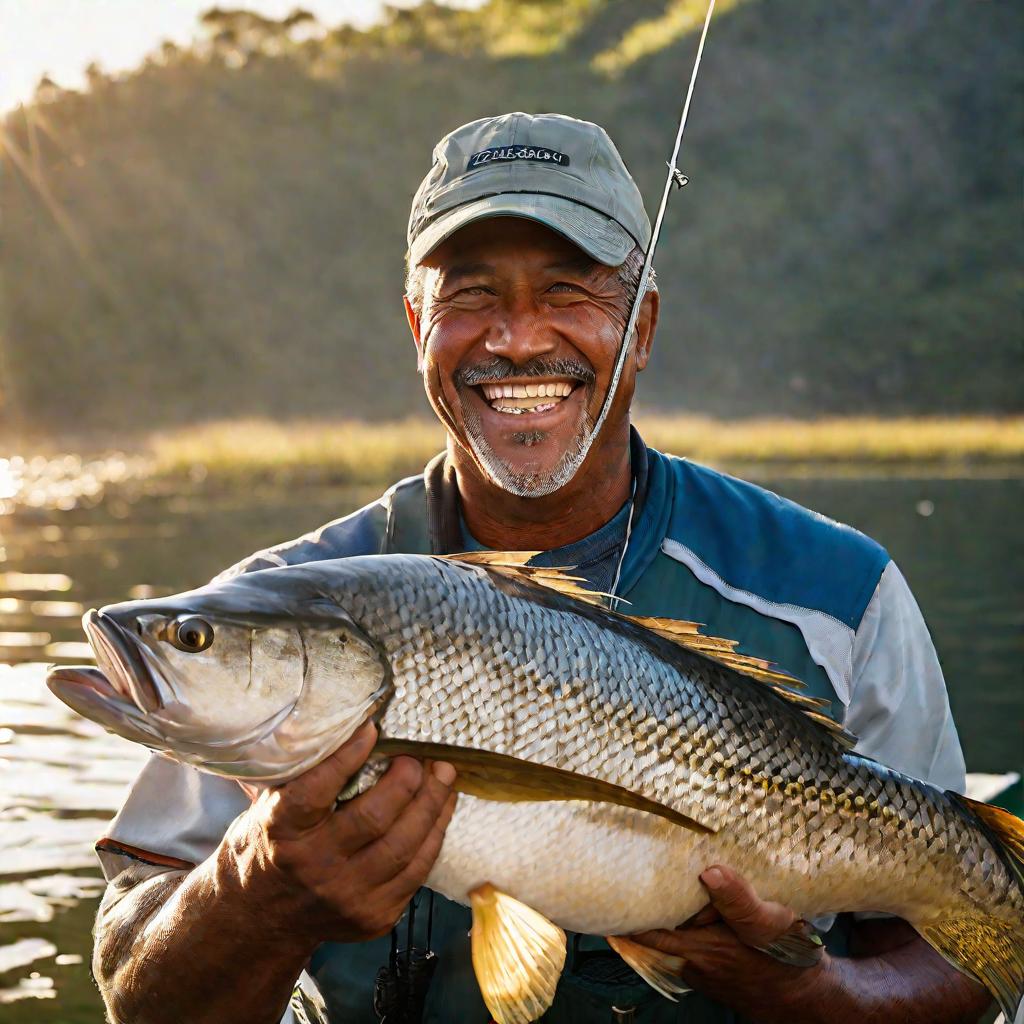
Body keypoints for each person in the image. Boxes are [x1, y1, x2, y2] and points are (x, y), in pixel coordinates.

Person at [91, 112, 992, 1024]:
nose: (518, 339)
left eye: (568, 291)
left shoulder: (841, 596)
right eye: (471, 295)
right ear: (418, 327)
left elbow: (974, 949)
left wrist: (808, 994)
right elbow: (136, 990)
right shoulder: (277, 595)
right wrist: (257, 896)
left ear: (639, 327)